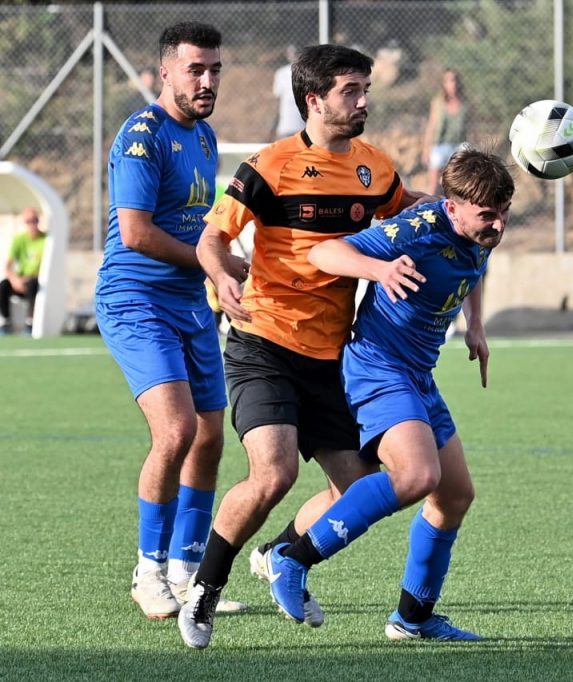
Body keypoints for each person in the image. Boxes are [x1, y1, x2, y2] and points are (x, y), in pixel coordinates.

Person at [178, 43, 433, 650]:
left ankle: (281, 554)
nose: (363, 101)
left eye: (365, 89)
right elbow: (212, 239)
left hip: (332, 355)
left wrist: (461, 210)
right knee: (274, 473)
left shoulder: (374, 167)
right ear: (314, 100)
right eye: (351, 91)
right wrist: (221, 274)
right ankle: (204, 588)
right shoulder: (270, 165)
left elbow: (411, 212)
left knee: (361, 487)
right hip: (263, 342)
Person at [259, 147, 513, 643]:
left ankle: (413, 618)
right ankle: (291, 559)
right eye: (488, 215)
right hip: (377, 367)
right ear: (452, 206)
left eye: (505, 212)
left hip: (417, 373)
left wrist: (476, 324)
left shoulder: (481, 228)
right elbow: (323, 254)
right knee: (417, 475)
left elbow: (475, 263)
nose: (499, 225)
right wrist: (379, 271)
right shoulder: (417, 228)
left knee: (455, 495)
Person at [94, 22, 248, 618]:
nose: (207, 81)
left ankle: (186, 573)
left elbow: (201, 228)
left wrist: (221, 265)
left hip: (188, 303)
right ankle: (149, 572)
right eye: (195, 70)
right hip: (136, 299)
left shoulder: (204, 136)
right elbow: (135, 234)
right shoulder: (143, 134)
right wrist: (214, 263)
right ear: (165, 72)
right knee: (177, 432)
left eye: (215, 70)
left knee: (209, 437)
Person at [422, 68, 469, 195]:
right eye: (448, 80)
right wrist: (426, 149)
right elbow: (431, 126)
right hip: (440, 145)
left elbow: (472, 127)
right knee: (433, 185)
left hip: (459, 145)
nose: (452, 84)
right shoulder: (437, 103)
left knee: (461, 184)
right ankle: (429, 204)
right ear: (443, 84)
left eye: (454, 80)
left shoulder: (465, 103)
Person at [0, 207, 46, 335]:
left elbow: (48, 267)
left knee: (32, 284)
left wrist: (30, 278)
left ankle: (30, 322)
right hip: (20, 280)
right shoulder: (19, 240)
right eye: (28, 221)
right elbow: (8, 266)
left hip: (35, 280)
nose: (32, 224)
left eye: (34, 220)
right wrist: (15, 280)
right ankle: (5, 321)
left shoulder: (45, 240)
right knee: (3, 285)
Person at [270, 45, 305, 140]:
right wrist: (274, 125)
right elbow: (278, 100)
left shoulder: (308, 72)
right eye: (290, 52)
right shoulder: (281, 73)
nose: (293, 55)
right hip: (286, 123)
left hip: (302, 124)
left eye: (296, 52)